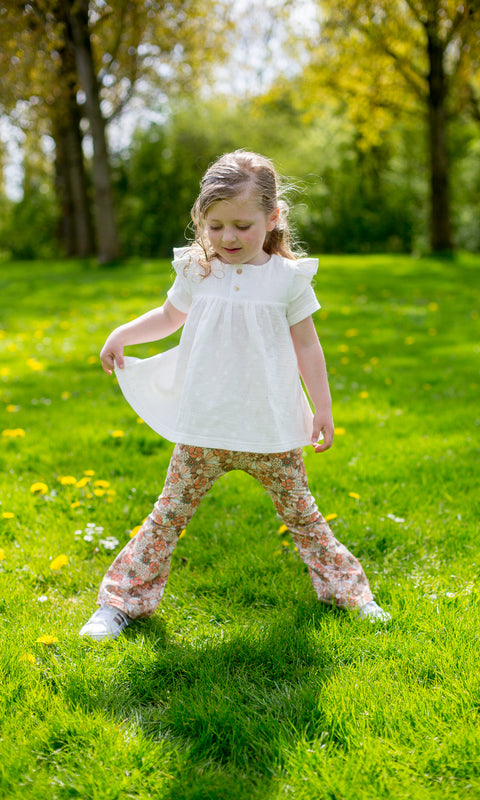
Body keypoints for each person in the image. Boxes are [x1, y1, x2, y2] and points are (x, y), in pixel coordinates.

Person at [79, 150, 390, 641]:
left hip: (270, 430)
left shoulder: (287, 280)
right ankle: (121, 603)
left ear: (273, 218)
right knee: (166, 517)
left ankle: (352, 594)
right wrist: (123, 333)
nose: (227, 238)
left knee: (305, 518)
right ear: (201, 221)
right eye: (216, 225)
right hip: (205, 427)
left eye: (242, 226)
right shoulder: (199, 271)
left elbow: (308, 344)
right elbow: (168, 317)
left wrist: (323, 407)